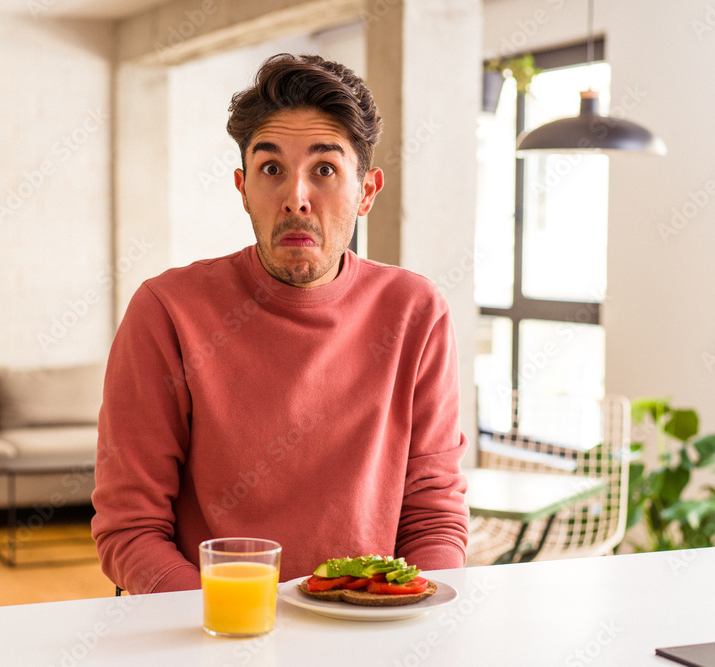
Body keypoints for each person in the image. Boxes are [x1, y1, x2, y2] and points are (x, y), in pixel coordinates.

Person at [91, 53, 469, 594]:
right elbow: (130, 528)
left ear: (366, 192)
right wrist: (227, 627)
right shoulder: (166, 311)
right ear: (243, 187)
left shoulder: (416, 311)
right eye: (272, 170)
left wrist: (411, 621)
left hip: (370, 630)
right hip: (214, 632)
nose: (296, 199)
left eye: (324, 169)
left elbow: (433, 513)